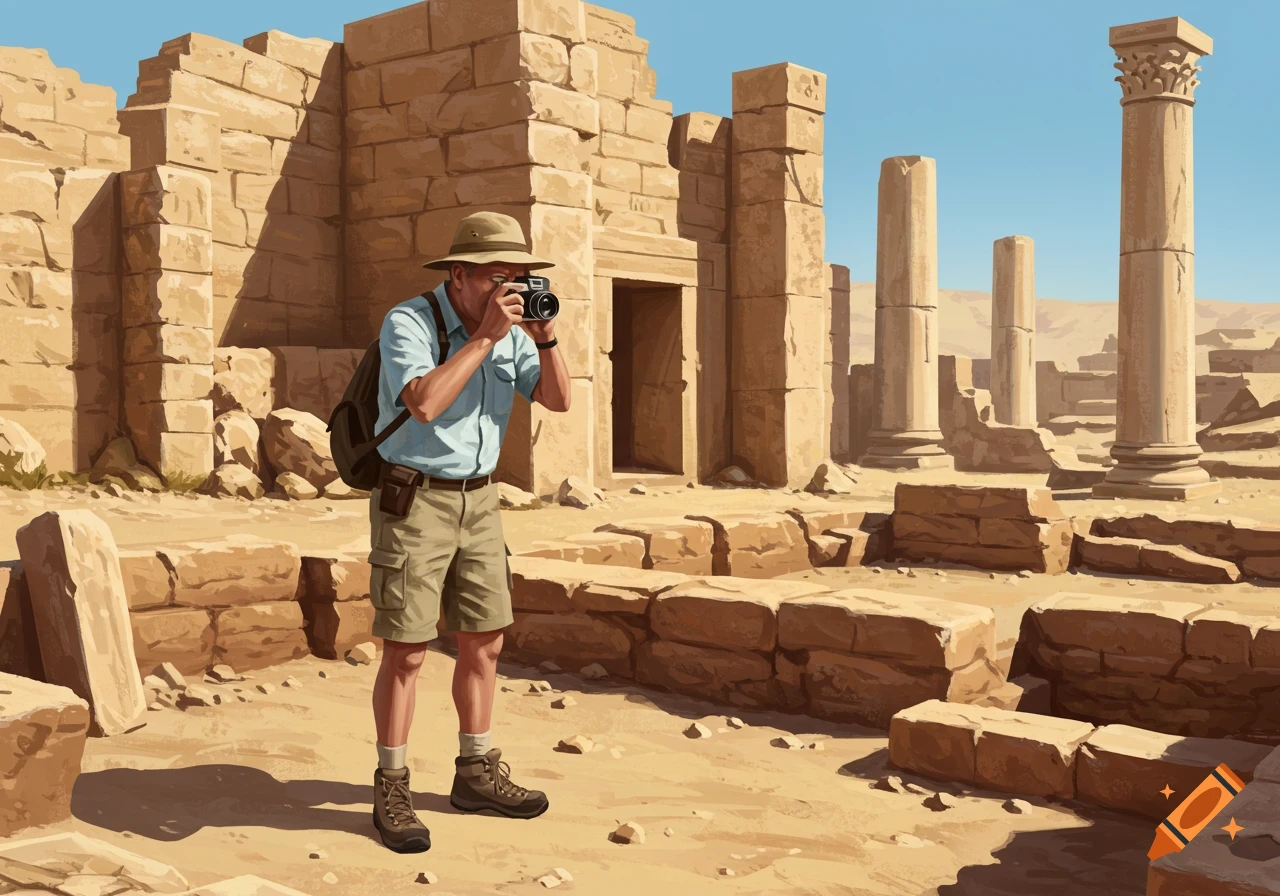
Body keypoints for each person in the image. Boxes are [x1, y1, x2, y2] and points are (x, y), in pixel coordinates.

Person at [366, 211, 571, 853]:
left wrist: (544, 338)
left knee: (484, 642)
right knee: (407, 650)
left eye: (518, 277)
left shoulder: (515, 332)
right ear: (459, 275)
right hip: (415, 499)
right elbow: (423, 402)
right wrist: (483, 338)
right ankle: (392, 785)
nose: (508, 289)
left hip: (480, 501)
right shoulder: (410, 321)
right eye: (495, 277)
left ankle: (475, 773)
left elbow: (559, 401)